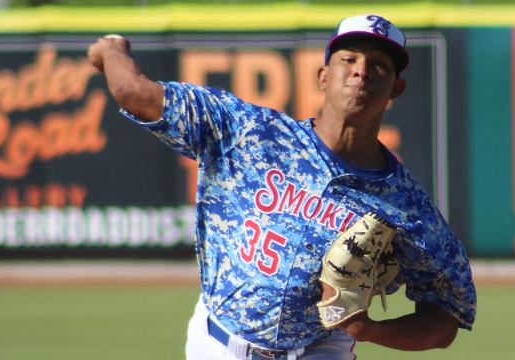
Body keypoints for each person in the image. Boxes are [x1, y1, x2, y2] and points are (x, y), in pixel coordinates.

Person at [88, 13, 476, 360]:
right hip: (217, 344)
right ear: (324, 76)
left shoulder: (406, 207)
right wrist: (111, 51)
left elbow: (445, 320)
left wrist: (370, 330)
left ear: (396, 88)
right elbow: (133, 94)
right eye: (349, 59)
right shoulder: (250, 133)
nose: (362, 71)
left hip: (318, 350)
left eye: (379, 65)